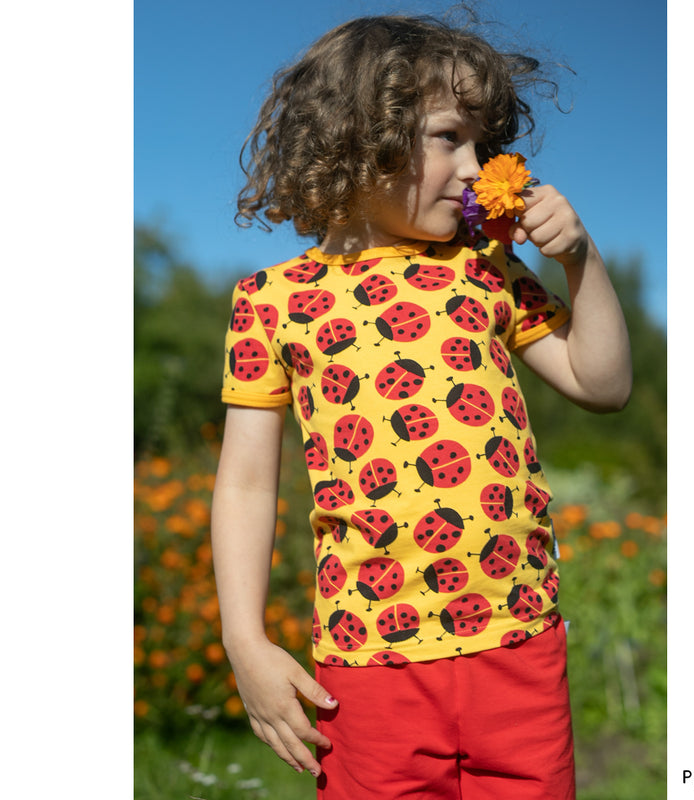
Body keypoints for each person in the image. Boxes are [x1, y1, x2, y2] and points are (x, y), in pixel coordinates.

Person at [211, 14, 631, 800]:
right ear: (354, 134)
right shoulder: (272, 302)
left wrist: (581, 258)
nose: (478, 167)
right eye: (448, 138)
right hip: (369, 661)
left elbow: (602, 385)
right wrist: (244, 639)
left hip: (520, 642)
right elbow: (243, 484)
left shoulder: (484, 268)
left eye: (484, 143)